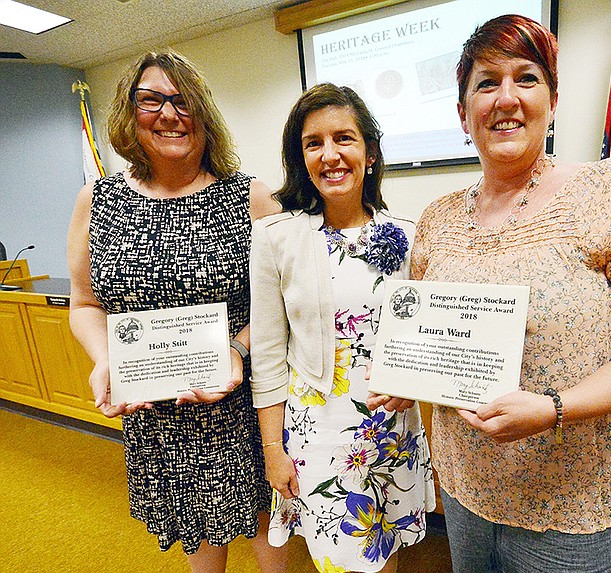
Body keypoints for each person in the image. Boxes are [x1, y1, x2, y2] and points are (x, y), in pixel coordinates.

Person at [399, 14, 611, 573]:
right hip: (466, 493)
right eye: (486, 82)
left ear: (551, 101)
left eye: (526, 78)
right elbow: (422, 330)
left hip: (574, 508)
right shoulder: (438, 220)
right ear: (462, 112)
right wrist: (406, 377)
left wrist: (554, 409)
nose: (506, 98)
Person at [66, 51, 286, 573]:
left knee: (268, 524)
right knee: (195, 530)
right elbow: (84, 304)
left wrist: (237, 347)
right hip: (157, 410)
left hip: (245, 402)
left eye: (183, 101)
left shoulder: (248, 197)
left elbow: (285, 303)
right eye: (151, 101)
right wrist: (104, 360)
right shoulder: (97, 200)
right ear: (128, 114)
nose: (169, 114)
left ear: (204, 115)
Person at [249, 83, 435, 573]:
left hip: (392, 429)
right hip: (320, 434)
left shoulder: (410, 236)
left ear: (369, 153)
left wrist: (415, 382)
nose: (330, 155)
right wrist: (273, 451)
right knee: (338, 558)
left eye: (344, 139)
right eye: (314, 143)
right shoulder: (276, 239)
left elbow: (426, 341)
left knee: (383, 550)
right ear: (301, 158)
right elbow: (267, 359)